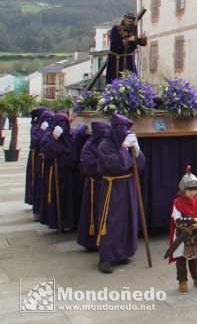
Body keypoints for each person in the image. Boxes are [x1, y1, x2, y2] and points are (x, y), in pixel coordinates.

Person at [95, 114, 146, 274]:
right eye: (119, 129)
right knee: (112, 220)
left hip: (127, 185)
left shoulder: (128, 143)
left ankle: (123, 251)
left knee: (127, 219)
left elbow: (139, 166)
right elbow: (116, 165)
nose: (122, 132)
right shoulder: (105, 145)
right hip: (113, 185)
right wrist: (124, 147)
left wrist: (137, 152)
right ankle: (106, 257)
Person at [40, 112, 84, 231]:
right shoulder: (49, 136)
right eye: (59, 123)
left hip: (71, 174)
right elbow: (47, 152)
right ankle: (58, 222)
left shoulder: (71, 137)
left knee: (71, 199)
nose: (62, 125)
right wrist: (54, 139)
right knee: (58, 198)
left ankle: (71, 222)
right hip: (57, 174)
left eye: (64, 123)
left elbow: (77, 150)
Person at [167, 167, 197, 292]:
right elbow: (177, 220)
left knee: (194, 258)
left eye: (194, 189)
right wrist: (190, 222)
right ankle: (182, 280)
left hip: (194, 235)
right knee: (181, 259)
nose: (192, 191)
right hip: (181, 235)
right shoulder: (178, 202)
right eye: (189, 189)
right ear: (183, 189)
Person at [76, 121, 108, 251]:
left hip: (107, 184)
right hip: (94, 185)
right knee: (93, 213)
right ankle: (91, 241)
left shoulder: (108, 144)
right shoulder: (89, 146)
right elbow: (88, 164)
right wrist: (106, 164)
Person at [105, 12, 147, 84]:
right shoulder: (115, 29)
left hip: (128, 60)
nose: (128, 23)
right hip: (115, 59)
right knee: (114, 80)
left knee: (131, 81)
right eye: (126, 21)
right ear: (124, 20)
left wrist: (142, 38)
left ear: (133, 22)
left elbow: (141, 43)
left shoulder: (134, 30)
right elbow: (116, 44)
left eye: (130, 22)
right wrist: (129, 40)